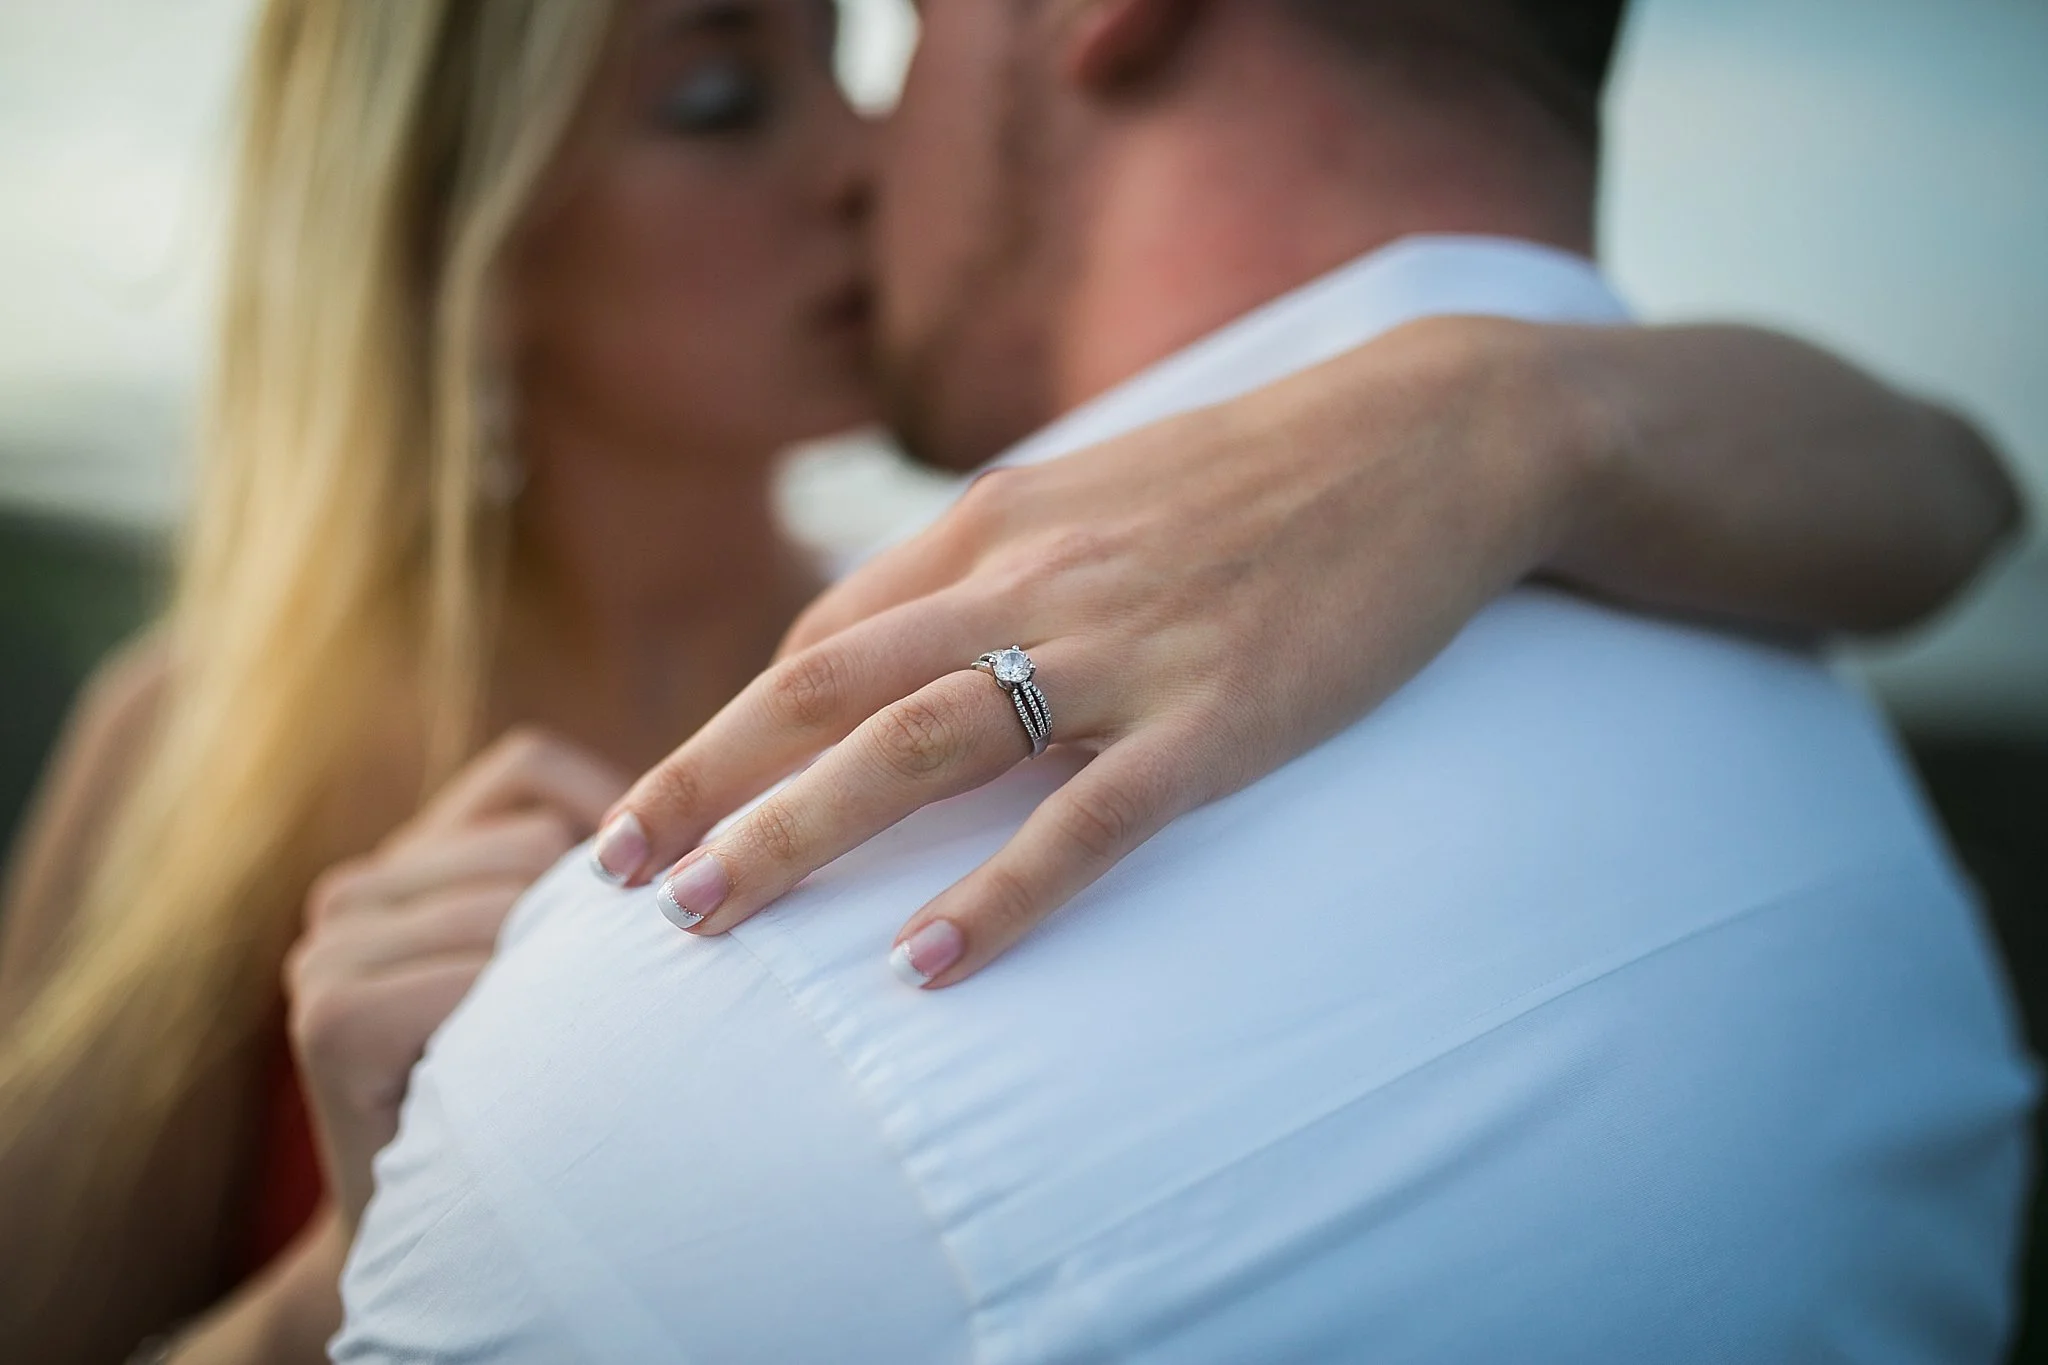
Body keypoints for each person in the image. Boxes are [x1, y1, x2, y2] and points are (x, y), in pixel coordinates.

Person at [0, 0, 2020, 1360]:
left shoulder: (1033, 624)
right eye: (721, 99)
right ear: (468, 237)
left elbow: (1953, 486)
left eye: (852, 53)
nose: (861, 156)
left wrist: (1497, 414)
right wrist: (341, 1285)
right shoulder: (198, 752)